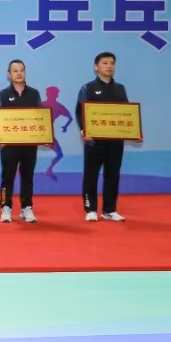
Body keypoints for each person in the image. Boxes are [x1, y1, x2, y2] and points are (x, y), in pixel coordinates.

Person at [76, 51, 129, 222]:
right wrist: (84, 130)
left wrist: (134, 132)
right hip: (94, 141)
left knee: (112, 175)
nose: (109, 66)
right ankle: (91, 209)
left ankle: (109, 210)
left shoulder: (120, 89)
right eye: (105, 63)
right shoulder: (88, 88)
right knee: (91, 175)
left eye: (112, 63)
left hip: (115, 141)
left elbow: (127, 113)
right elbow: (80, 111)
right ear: (96, 66)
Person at [0, 59, 41, 223]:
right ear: (9, 75)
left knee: (28, 176)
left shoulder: (34, 93)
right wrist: (0, 137)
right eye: (15, 71)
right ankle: (5, 207)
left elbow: (39, 117)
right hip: (9, 144)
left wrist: (42, 136)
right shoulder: (3, 94)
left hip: (29, 144)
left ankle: (26, 207)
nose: (19, 73)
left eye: (22, 70)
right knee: (7, 177)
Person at [43, 86, 73, 181]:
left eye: (49, 93)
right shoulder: (42, 104)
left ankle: (49, 170)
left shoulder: (57, 106)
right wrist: (65, 127)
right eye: (48, 93)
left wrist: (65, 127)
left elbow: (70, 118)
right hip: (39, 133)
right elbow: (70, 118)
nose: (48, 95)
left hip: (47, 134)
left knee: (60, 154)